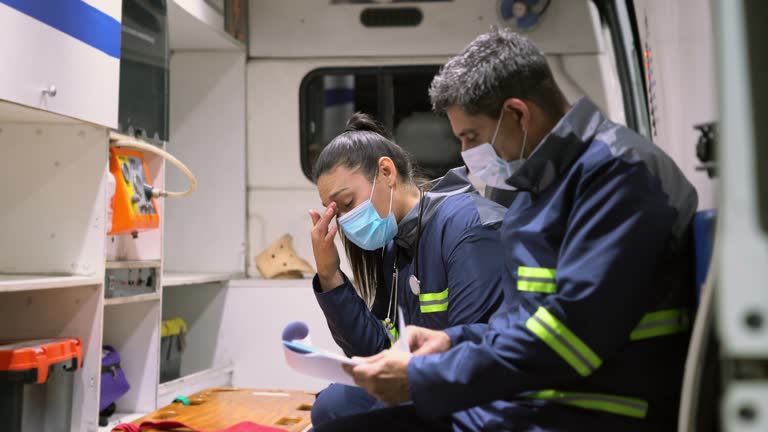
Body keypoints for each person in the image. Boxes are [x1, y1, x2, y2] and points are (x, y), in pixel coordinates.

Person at [314, 28, 698, 432]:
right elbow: (522, 321)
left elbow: (570, 338)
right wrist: (454, 342)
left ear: (517, 114)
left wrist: (425, 377)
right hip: (531, 402)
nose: (466, 154)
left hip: (588, 411)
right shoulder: (538, 190)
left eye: (472, 137)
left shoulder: (618, 176)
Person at [307, 113, 508, 426]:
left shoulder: (465, 224)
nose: (344, 221)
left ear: (386, 171)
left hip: (471, 393)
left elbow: (478, 351)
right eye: (336, 213)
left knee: (334, 413)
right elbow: (375, 350)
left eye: (346, 203)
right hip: (429, 382)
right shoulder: (396, 243)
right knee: (330, 404)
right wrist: (330, 276)